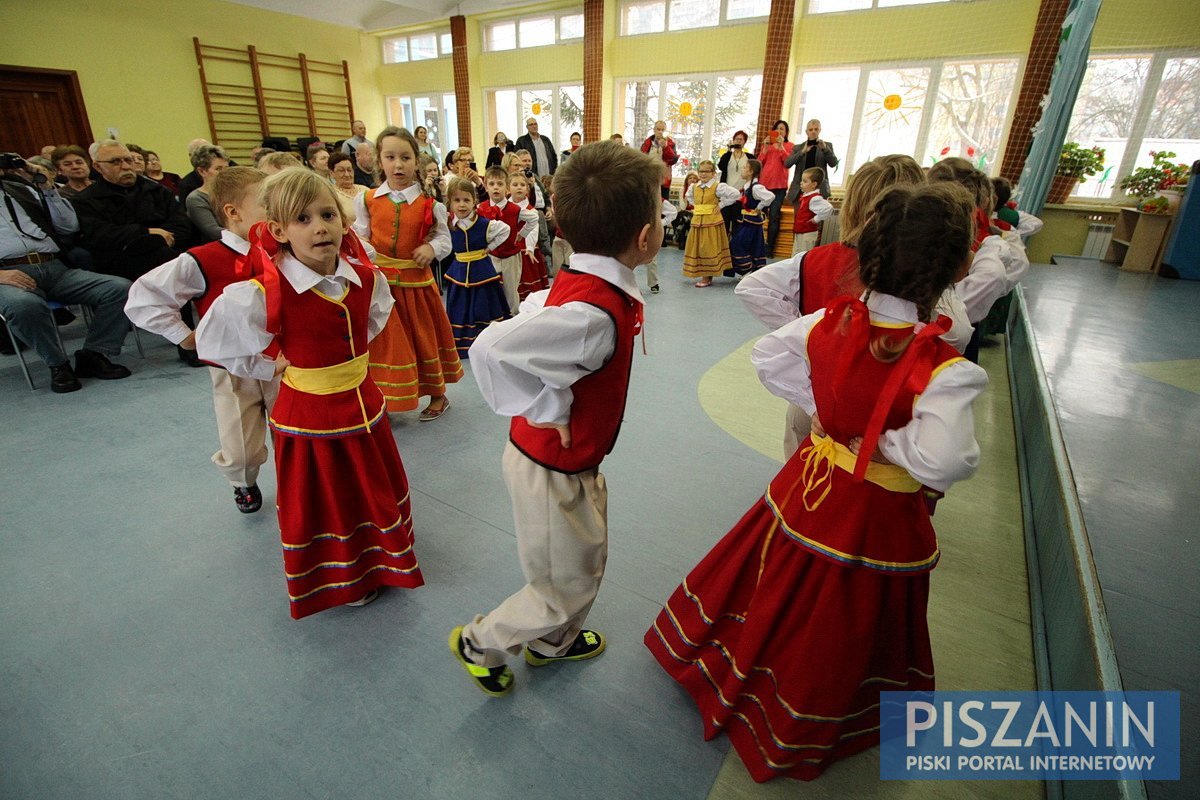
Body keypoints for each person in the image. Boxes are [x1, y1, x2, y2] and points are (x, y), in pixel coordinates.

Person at [646, 182, 988, 782]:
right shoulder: (946, 369)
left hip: (812, 476)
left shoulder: (827, 323)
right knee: (842, 610)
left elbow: (767, 358)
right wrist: (881, 441)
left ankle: (747, 666)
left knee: (778, 580)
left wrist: (829, 413)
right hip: (874, 510)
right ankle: (804, 706)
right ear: (958, 266)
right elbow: (946, 462)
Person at [449, 140, 662, 696]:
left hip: (572, 461)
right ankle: (483, 640)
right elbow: (492, 350)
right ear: (645, 238)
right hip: (549, 468)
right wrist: (550, 405)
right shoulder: (594, 313)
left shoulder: (584, 288)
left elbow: (537, 311)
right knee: (560, 585)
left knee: (583, 558)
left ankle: (553, 644)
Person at [196, 168, 424, 618]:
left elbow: (372, 320)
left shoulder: (365, 278)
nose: (319, 227)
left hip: (364, 405)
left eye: (327, 215)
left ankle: (383, 557)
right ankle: (345, 577)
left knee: (370, 488)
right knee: (332, 500)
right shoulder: (259, 293)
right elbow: (215, 344)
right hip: (311, 419)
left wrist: (351, 362)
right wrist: (268, 364)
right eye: (302, 219)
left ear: (343, 222)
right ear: (278, 230)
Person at [736, 154, 972, 458]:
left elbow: (753, 289)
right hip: (888, 413)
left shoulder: (820, 260)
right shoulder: (926, 275)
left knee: (803, 478)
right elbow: (959, 335)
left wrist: (813, 333)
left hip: (816, 397)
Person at [125, 167, 277, 512]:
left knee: (293, 431)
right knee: (241, 445)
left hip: (282, 360)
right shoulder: (201, 259)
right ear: (233, 212)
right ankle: (243, 480)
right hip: (233, 367)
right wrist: (184, 335)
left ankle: (300, 483)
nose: (275, 210)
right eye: (266, 204)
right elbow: (144, 297)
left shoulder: (283, 248)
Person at [353, 126, 461, 420]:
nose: (398, 164)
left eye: (405, 157)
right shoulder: (367, 200)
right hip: (381, 287)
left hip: (416, 285)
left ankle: (438, 393)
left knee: (423, 339)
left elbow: (444, 240)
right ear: (380, 160)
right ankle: (386, 396)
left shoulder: (431, 205)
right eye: (390, 157)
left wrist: (431, 248)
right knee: (385, 344)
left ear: (416, 161)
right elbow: (358, 237)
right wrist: (366, 254)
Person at [0, 157, 132, 392]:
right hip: (8, 273)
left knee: (120, 288)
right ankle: (58, 364)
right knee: (23, 306)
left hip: (54, 266)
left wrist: (47, 188)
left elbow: (68, 227)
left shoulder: (21, 190)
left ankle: (94, 353)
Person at [928, 157, 1028, 363]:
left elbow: (999, 276)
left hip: (949, 329)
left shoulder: (974, 231)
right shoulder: (974, 229)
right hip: (948, 325)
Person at [73, 140, 193, 282]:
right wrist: (146, 233)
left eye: (128, 160)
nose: (125, 167)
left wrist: (156, 239)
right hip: (122, 260)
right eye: (115, 162)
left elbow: (181, 224)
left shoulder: (157, 190)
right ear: (98, 167)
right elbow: (101, 235)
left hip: (169, 249)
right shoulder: (86, 200)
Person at [442, 175, 512, 358]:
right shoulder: (448, 224)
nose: (462, 205)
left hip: (481, 270)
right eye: (457, 200)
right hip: (458, 269)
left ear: (474, 202)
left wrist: (489, 248)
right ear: (450, 203)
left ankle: (487, 342)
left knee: (484, 305)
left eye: (466, 200)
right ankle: (463, 342)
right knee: (460, 306)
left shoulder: (484, 224)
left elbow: (505, 230)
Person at [478, 166, 538, 315]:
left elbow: (534, 218)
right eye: (492, 184)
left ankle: (513, 317)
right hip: (490, 255)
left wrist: (522, 234)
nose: (496, 188)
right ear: (486, 187)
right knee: (489, 287)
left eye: (500, 184)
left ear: (507, 188)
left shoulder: (515, 209)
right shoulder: (481, 208)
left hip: (511, 255)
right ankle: (493, 315)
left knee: (511, 290)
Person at [682, 159, 738, 287]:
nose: (703, 174)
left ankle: (707, 277)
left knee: (708, 248)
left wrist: (721, 204)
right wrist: (697, 206)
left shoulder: (718, 186)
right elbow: (689, 197)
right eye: (701, 171)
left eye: (707, 171)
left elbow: (735, 194)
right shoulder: (694, 187)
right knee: (698, 248)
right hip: (697, 221)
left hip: (712, 222)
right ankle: (704, 275)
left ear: (713, 173)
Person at [507, 171, 550, 300]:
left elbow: (533, 230)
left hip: (525, 246)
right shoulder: (504, 207)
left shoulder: (531, 210)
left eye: (522, 185)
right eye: (515, 184)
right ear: (508, 189)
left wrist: (530, 248)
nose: (519, 187)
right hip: (508, 247)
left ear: (527, 189)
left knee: (528, 276)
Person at [728, 158, 774, 275]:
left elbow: (770, 196)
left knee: (737, 243)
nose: (742, 170)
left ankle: (747, 270)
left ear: (751, 171)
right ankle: (751, 271)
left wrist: (759, 207)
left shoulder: (756, 187)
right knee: (751, 245)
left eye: (744, 168)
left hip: (751, 221)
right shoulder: (747, 187)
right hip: (746, 221)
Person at [758, 120, 794, 254]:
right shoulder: (768, 145)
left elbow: (788, 162)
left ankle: (770, 248)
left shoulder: (790, 146)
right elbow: (759, 163)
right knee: (759, 215)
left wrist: (781, 148)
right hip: (764, 186)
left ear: (786, 133)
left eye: (782, 129)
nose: (779, 131)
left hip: (779, 187)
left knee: (774, 216)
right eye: (777, 129)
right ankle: (757, 244)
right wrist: (765, 147)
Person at [184, 144, 230, 242]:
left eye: (226, 168)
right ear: (202, 171)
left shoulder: (234, 192)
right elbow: (213, 231)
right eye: (218, 169)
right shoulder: (196, 199)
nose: (225, 173)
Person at [786, 118, 838, 200]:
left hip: (819, 190)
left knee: (818, 213)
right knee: (799, 213)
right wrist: (802, 152)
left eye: (816, 129)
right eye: (810, 129)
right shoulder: (798, 148)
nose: (813, 131)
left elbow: (833, 163)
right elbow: (787, 164)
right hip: (799, 190)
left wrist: (825, 149)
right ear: (806, 132)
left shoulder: (827, 146)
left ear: (820, 130)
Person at [791, 167, 834, 255]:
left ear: (814, 184)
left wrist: (816, 219)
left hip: (807, 233)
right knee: (797, 254)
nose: (801, 183)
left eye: (805, 181)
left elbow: (828, 208)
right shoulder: (807, 196)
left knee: (804, 255)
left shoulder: (814, 198)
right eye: (802, 181)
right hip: (801, 232)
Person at [717, 130, 753, 234]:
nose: (738, 141)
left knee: (738, 222)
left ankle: (735, 247)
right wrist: (729, 150)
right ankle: (724, 246)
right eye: (736, 139)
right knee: (724, 222)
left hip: (741, 195)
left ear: (744, 142)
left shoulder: (749, 157)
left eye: (741, 139)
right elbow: (721, 166)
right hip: (727, 194)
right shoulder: (727, 156)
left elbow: (754, 171)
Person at [640, 120, 679, 200]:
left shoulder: (671, 143)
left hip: (663, 179)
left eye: (663, 130)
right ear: (654, 130)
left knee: (664, 204)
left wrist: (666, 147)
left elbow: (673, 160)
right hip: (649, 178)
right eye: (658, 129)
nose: (660, 132)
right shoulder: (647, 143)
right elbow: (641, 159)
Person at [329, 151, 367, 216]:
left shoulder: (365, 190)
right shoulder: (331, 194)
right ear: (332, 173)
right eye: (341, 170)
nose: (347, 174)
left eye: (349, 170)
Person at [176, 139, 211, 203]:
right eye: (201, 153)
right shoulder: (186, 185)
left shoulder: (229, 167)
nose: (206, 156)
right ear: (191, 156)